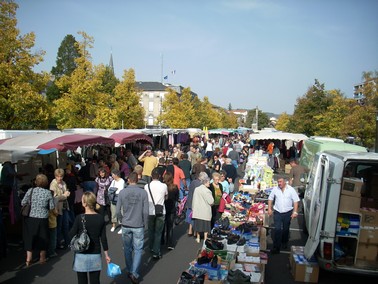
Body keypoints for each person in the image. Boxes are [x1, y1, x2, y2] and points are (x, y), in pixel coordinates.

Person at [69, 192, 111, 284]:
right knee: (95, 281)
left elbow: (71, 234)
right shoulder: (100, 218)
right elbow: (103, 238)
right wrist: (106, 255)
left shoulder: (79, 218)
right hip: (95, 253)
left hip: (81, 254)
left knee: (81, 281)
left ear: (84, 203)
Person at [116, 172, 149, 284]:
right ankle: (134, 273)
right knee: (138, 249)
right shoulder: (143, 193)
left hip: (126, 224)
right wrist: (145, 223)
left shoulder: (122, 192)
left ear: (129, 180)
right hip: (138, 224)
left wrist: (121, 220)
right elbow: (145, 211)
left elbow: (117, 210)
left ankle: (130, 269)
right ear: (137, 180)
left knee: (127, 249)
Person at [22, 174, 55, 267]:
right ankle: (42, 258)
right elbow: (51, 207)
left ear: (36, 181)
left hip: (31, 218)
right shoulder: (48, 193)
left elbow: (23, 202)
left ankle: (28, 259)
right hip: (43, 218)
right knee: (43, 238)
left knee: (30, 237)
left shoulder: (30, 191)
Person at [268, 177, 300, 254]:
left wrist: (295, 212)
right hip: (277, 212)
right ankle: (276, 247)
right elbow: (270, 198)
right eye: (278, 182)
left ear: (285, 182)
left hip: (287, 213)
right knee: (277, 229)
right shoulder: (275, 189)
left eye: (280, 182)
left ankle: (284, 241)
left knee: (286, 229)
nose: (279, 183)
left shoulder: (291, 190)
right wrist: (269, 208)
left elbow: (296, 201)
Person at [144, 168, 168, 259]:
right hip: (161, 211)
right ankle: (156, 251)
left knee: (150, 230)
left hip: (150, 211)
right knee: (158, 232)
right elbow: (166, 197)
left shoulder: (147, 186)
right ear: (160, 176)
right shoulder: (164, 186)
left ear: (151, 176)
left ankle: (151, 247)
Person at [50, 168, 71, 249]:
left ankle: (67, 242)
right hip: (58, 208)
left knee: (66, 225)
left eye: (61, 176)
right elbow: (55, 198)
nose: (60, 178)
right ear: (55, 176)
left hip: (65, 206)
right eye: (58, 176)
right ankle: (58, 243)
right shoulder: (53, 184)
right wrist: (64, 195)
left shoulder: (63, 183)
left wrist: (66, 193)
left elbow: (65, 192)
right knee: (59, 226)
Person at [192, 174, 214, 243]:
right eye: (208, 182)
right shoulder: (207, 191)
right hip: (205, 211)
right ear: (205, 182)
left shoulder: (197, 189)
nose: (209, 184)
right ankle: (205, 238)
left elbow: (194, 199)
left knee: (198, 226)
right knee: (206, 227)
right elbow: (211, 201)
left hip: (198, 210)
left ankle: (198, 238)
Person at [162, 172, 179, 250]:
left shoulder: (162, 187)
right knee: (170, 227)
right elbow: (176, 198)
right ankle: (169, 243)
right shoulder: (175, 187)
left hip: (163, 208)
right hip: (171, 208)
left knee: (162, 226)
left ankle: (161, 240)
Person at [108, 169, 125, 234]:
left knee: (120, 212)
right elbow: (109, 188)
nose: (112, 176)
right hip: (113, 198)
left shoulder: (122, 181)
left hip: (119, 199)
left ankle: (122, 227)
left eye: (112, 174)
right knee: (113, 212)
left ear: (116, 175)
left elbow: (120, 190)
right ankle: (114, 225)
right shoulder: (113, 181)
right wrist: (114, 190)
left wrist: (113, 190)